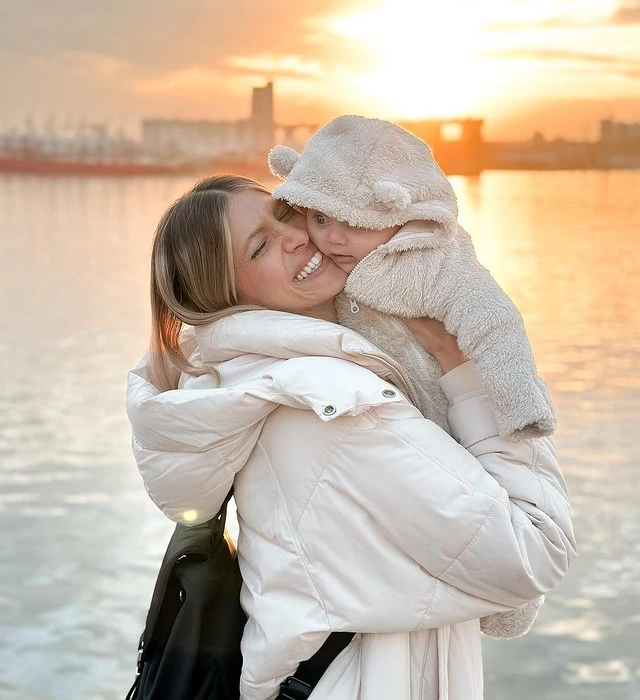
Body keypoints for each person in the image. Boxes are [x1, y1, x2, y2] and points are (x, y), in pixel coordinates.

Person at [126, 175, 576, 700]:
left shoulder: (252, 381)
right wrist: (465, 372)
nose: (295, 236)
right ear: (228, 298)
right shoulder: (336, 407)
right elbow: (534, 552)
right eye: (260, 247)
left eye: (285, 213)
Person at [268, 114, 556, 639]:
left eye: (351, 222)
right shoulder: (325, 266)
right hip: (393, 423)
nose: (332, 239)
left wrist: (521, 405)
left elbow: (494, 321)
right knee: (457, 522)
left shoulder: (435, 262)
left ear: (397, 208)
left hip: (449, 407)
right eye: (320, 219)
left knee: (488, 515)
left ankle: (509, 599)